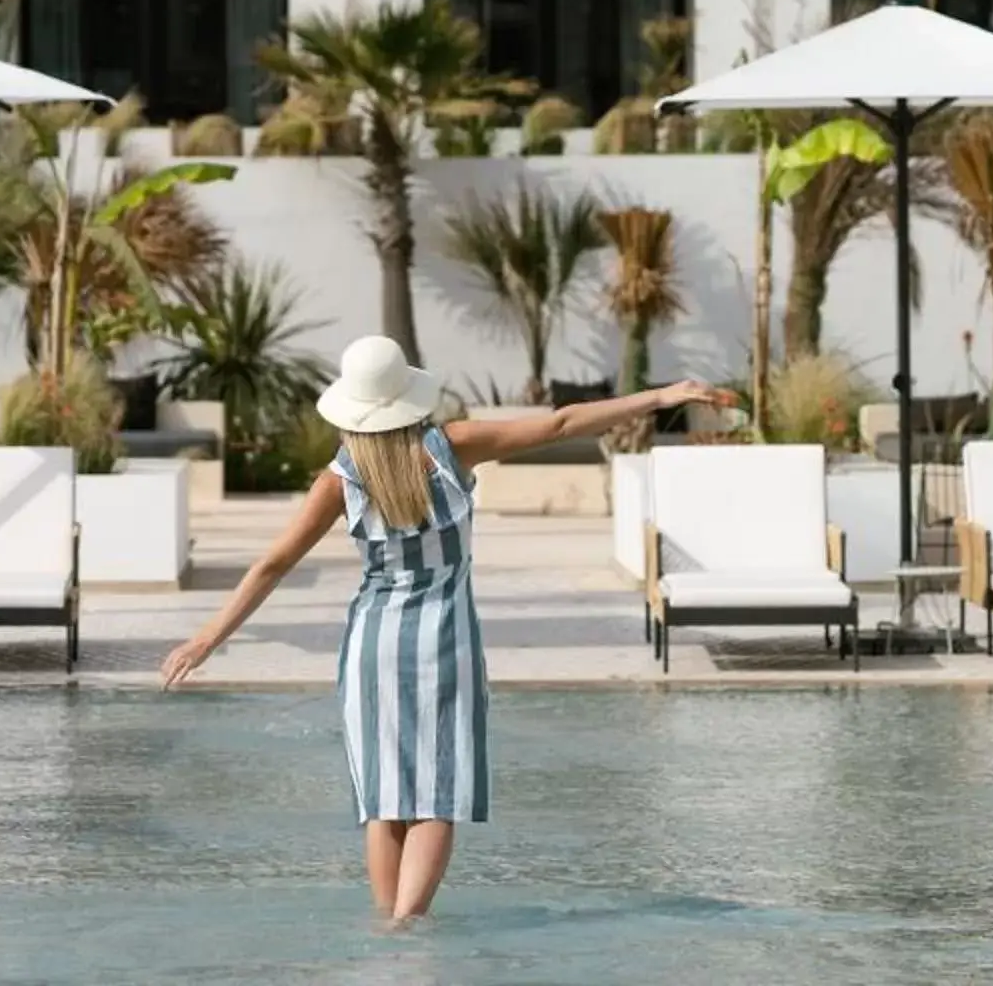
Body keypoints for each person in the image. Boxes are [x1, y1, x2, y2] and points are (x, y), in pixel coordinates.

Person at [160, 335, 734, 922]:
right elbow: (562, 424)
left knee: (384, 801)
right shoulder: (453, 446)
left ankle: (389, 935)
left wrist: (209, 637)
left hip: (372, 646)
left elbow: (273, 563)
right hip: (444, 642)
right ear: (407, 395)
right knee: (437, 797)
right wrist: (663, 395)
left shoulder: (339, 479)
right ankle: (409, 935)